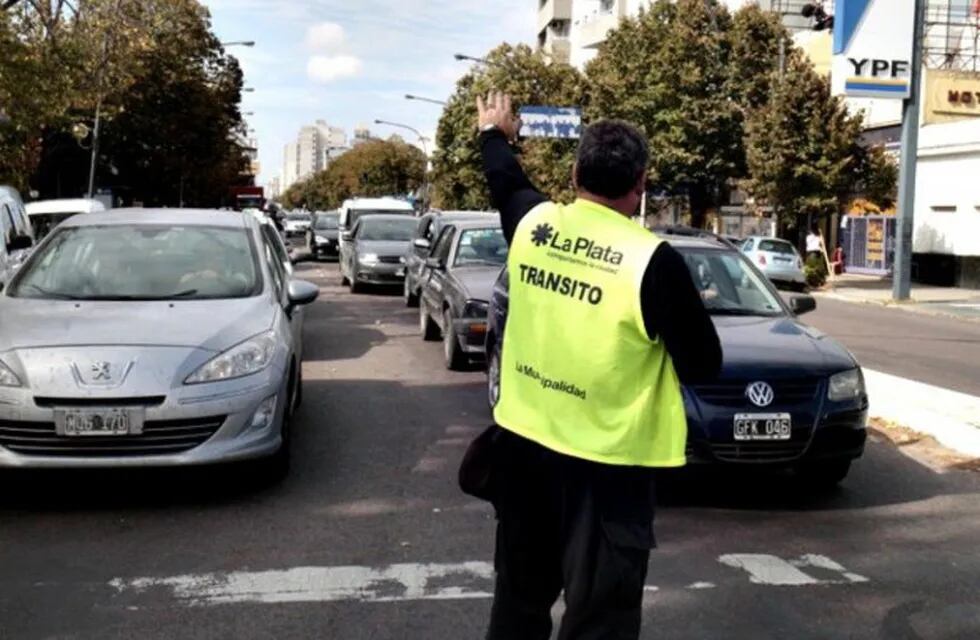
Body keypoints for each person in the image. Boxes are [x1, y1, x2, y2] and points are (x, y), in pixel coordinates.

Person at [472, 92, 722, 639]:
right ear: (640, 185)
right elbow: (704, 363)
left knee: (517, 606)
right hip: (608, 476)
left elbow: (505, 180)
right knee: (599, 622)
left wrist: (494, 131)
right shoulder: (653, 262)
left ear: (575, 172)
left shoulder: (535, 228)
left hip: (524, 455)